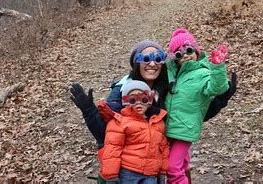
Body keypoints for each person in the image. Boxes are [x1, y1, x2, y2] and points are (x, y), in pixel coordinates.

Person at [70, 40, 237, 150]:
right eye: (145, 58)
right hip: (127, 162)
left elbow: (191, 113)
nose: (152, 63)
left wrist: (222, 98)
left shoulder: (167, 87)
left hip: (161, 156)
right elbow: (104, 135)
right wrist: (88, 110)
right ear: (136, 63)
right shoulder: (123, 89)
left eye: (158, 58)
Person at [165, 29, 229, 184]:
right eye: (179, 54)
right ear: (175, 59)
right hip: (169, 127)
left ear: (196, 50)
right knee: (180, 164)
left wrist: (217, 67)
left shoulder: (203, 72)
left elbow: (217, 88)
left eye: (188, 50)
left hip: (185, 129)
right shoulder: (173, 74)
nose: (185, 55)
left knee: (172, 168)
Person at [96, 80, 169, 184]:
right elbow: (113, 148)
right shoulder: (120, 121)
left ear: (149, 100)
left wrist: (162, 171)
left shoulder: (157, 122)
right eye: (133, 100)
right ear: (125, 101)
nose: (138, 103)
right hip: (128, 171)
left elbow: (163, 149)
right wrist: (111, 175)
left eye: (143, 99)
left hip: (150, 174)